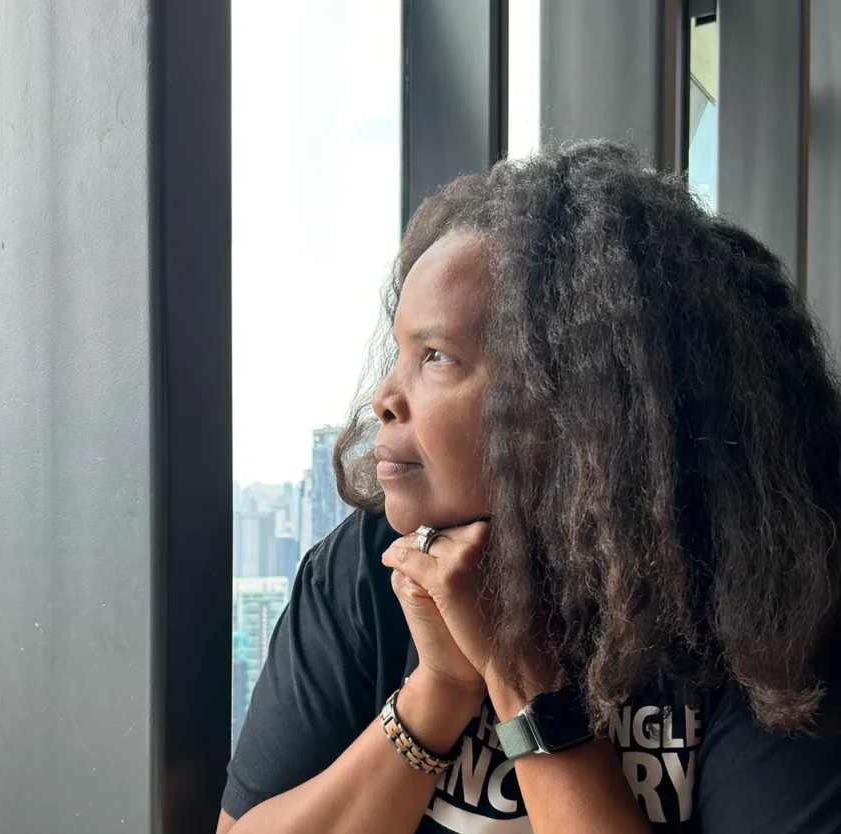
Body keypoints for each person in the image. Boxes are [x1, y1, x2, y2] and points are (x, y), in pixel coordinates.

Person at [218, 140, 841, 833]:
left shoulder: (771, 609)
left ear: (582, 400)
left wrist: (522, 678)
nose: (385, 397)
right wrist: (437, 692)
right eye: (398, 354)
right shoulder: (365, 572)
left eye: (437, 357)